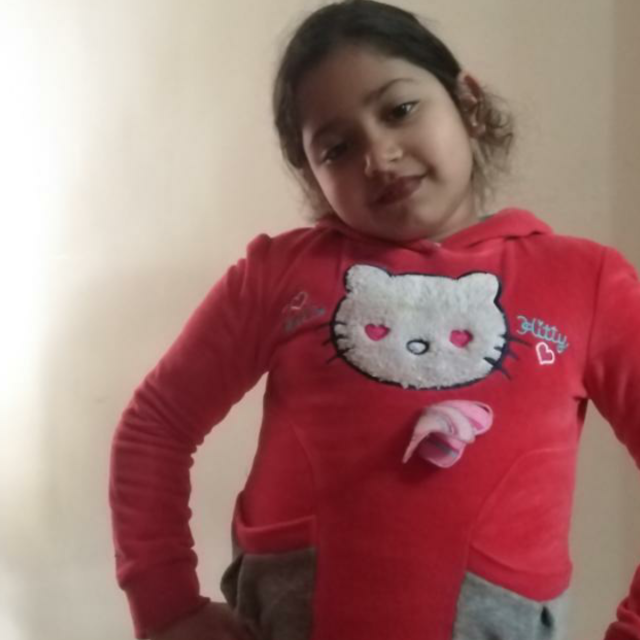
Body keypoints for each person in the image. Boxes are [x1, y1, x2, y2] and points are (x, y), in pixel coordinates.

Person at [109, 1, 640, 639]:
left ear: (467, 103)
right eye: (337, 147)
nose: (379, 155)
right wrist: (166, 606)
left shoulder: (586, 281)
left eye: (400, 109)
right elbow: (156, 425)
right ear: (312, 175)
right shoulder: (278, 276)